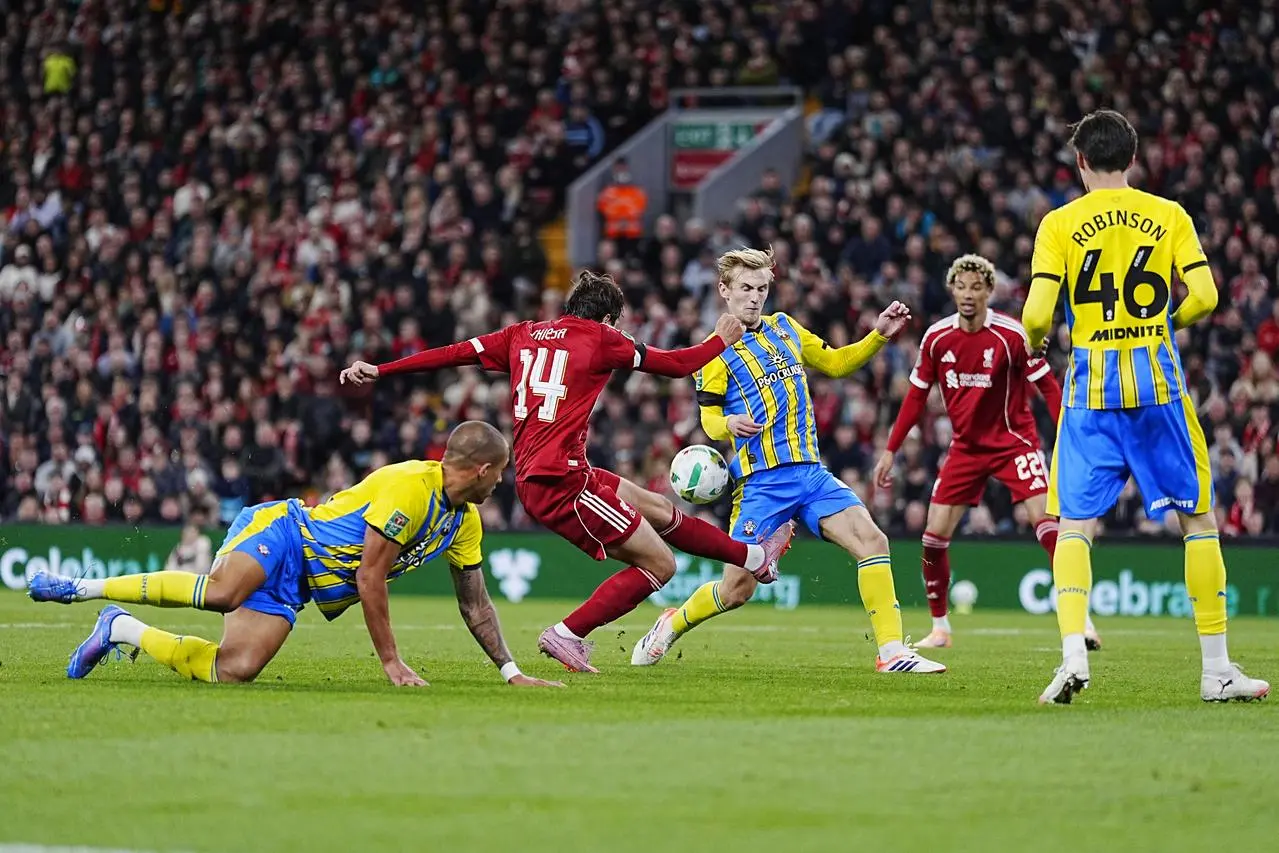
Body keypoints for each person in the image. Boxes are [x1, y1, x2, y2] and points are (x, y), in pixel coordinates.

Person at [340, 272, 793, 673]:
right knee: (661, 564)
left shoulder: (522, 334)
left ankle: (752, 558)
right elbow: (675, 365)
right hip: (562, 484)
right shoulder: (600, 338)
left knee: (655, 505)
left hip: (558, 472)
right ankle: (567, 633)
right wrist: (720, 339)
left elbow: (452, 353)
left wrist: (381, 369)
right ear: (610, 319)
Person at [1023, 109, 1269, 704]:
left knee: (1075, 527)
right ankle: (1216, 671)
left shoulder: (1059, 223)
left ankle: (1072, 657)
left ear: (1081, 161)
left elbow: (1034, 316)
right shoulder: (1169, 215)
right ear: (1132, 160)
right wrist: (1165, 321)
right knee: (1198, 523)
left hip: (1088, 398)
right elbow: (1206, 296)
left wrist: (1037, 342)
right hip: (1158, 393)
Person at [29, 422, 562, 689]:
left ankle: (118, 628)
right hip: (284, 532)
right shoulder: (410, 487)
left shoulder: (464, 523)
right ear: (479, 470)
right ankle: (80, 588)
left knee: (233, 671)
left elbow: (476, 604)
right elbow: (369, 576)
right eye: (500, 471)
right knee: (221, 593)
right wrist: (391, 662)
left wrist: (511, 671)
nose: (503, 480)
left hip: (298, 585)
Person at [631, 247, 945, 674]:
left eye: (762, 288)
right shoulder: (715, 350)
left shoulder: (785, 328)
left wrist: (879, 335)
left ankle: (891, 651)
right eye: (745, 288)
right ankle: (673, 621)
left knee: (874, 541)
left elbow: (835, 363)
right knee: (736, 589)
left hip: (812, 475)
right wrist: (729, 425)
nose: (755, 296)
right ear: (724, 291)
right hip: (762, 482)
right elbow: (707, 418)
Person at [872, 254, 1100, 649]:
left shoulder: (1013, 336)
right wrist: (891, 449)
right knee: (932, 538)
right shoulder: (937, 338)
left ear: (989, 292)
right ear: (952, 289)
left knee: (1048, 527)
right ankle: (941, 627)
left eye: (977, 287)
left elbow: (1048, 390)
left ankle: (1081, 619)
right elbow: (914, 397)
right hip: (966, 447)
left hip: (1015, 442)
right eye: (961, 286)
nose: (968, 294)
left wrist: (1070, 435)